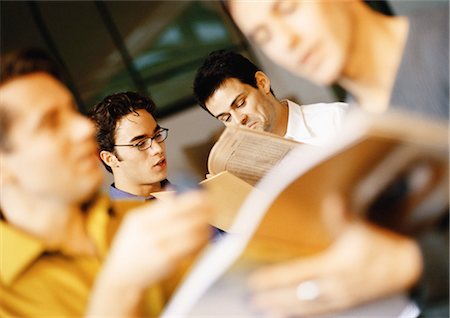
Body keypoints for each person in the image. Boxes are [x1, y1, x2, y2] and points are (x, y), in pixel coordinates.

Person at [226, 0, 449, 316]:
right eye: (264, 36)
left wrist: (411, 264)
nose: (286, 41)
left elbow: (410, 261)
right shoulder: (355, 127)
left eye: (288, 8)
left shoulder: (441, 44)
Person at [0, 48, 212, 317]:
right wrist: (120, 288)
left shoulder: (142, 220)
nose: (84, 128)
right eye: (50, 123)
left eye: (71, 111)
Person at [193, 49, 348, 145]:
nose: (239, 120)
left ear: (262, 82)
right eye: (226, 118)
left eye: (240, 103)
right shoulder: (244, 168)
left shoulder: (338, 120)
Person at [90, 92, 171, 200]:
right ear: (110, 159)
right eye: (141, 144)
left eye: (157, 136)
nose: (158, 149)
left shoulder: (192, 196)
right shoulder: (110, 216)